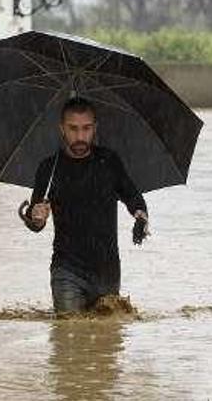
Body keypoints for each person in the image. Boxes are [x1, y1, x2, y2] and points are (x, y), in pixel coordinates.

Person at [20, 97, 150, 315]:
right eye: (73, 129)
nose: (80, 136)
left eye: (86, 128)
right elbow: (36, 222)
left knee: (105, 343)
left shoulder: (108, 162)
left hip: (107, 272)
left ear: (95, 128)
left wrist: (140, 217)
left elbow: (133, 197)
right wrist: (36, 218)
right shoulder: (49, 168)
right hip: (66, 269)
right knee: (69, 335)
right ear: (62, 129)